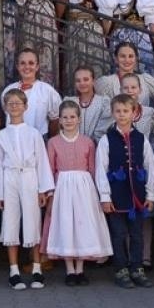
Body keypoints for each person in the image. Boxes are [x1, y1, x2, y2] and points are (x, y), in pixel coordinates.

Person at [43, 99, 111, 286]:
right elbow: (49, 169)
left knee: (82, 225)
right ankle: (69, 269)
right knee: (66, 224)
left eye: (72, 116)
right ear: (60, 120)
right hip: (62, 187)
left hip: (84, 188)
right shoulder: (53, 142)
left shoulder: (87, 142)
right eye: (65, 117)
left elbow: (93, 169)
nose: (69, 120)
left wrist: (97, 193)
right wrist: (50, 193)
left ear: (79, 119)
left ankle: (80, 268)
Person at [0, 89, 54, 290]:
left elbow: (42, 162)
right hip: (10, 177)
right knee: (10, 221)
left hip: (29, 177)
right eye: (10, 103)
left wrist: (42, 190)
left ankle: (37, 268)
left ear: (26, 107)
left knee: (32, 220)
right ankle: (14, 270)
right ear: (5, 108)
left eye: (18, 103)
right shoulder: (1, 135)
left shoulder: (34, 133)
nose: (14, 106)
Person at [97, 93, 154, 289]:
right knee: (118, 233)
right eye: (118, 111)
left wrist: (150, 194)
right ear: (113, 113)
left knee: (137, 234)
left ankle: (137, 268)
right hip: (116, 195)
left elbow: (151, 167)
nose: (122, 115)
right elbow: (101, 169)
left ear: (134, 112)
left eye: (126, 111)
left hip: (137, 196)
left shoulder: (141, 139)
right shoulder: (106, 140)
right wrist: (105, 197)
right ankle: (121, 269)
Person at [5, 46, 59, 138]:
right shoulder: (8, 90)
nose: (27, 67)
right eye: (22, 63)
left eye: (31, 63)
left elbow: (55, 120)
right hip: (12, 138)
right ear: (17, 67)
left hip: (40, 137)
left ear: (37, 66)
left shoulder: (48, 91)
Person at [97, 42, 154, 110]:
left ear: (136, 59)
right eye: (123, 56)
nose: (127, 60)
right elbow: (98, 108)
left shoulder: (145, 80)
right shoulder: (107, 82)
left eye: (131, 56)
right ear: (116, 59)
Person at [67, 64, 112, 139]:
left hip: (98, 147)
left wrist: (89, 145)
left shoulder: (103, 103)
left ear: (93, 81)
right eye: (78, 80)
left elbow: (102, 130)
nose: (82, 83)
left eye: (86, 79)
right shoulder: (70, 102)